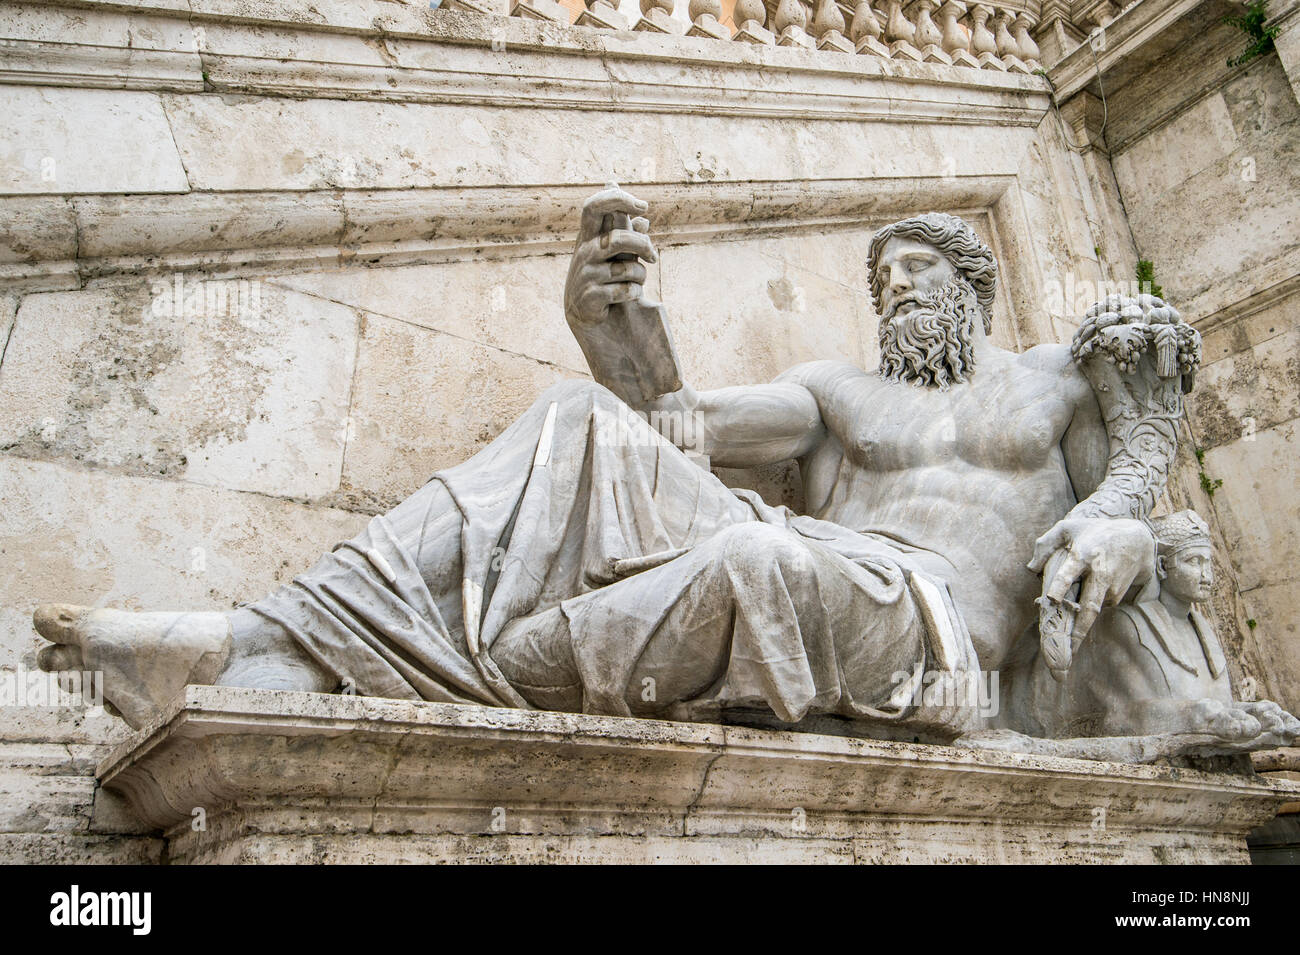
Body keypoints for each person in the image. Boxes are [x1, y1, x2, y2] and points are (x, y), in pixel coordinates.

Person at [33, 187, 1296, 755]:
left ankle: (440, 669)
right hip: (836, 567)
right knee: (579, 423)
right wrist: (614, 321)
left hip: (937, 640)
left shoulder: (1053, 381)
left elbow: (1136, 465)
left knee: (755, 555)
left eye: (912, 271)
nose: (889, 289)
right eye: (878, 279)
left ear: (973, 278)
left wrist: (1128, 520)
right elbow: (672, 427)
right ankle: (271, 640)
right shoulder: (834, 394)